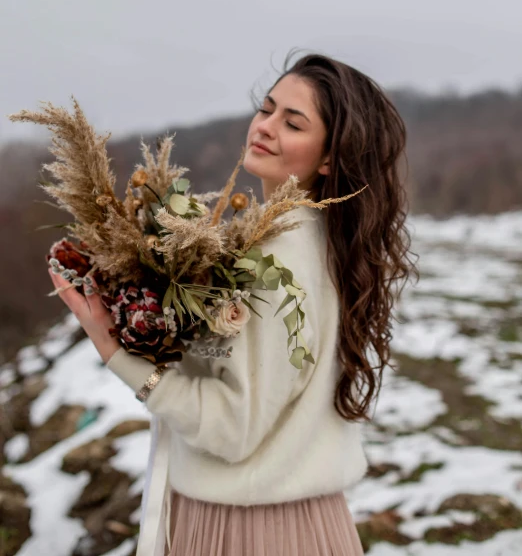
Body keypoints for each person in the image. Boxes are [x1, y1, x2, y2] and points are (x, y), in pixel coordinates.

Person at [49, 52, 416, 556]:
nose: (265, 127)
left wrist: (118, 354)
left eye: (293, 122)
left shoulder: (273, 259)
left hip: (246, 530)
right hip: (298, 519)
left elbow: (231, 427)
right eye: (267, 109)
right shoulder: (328, 242)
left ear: (330, 156)